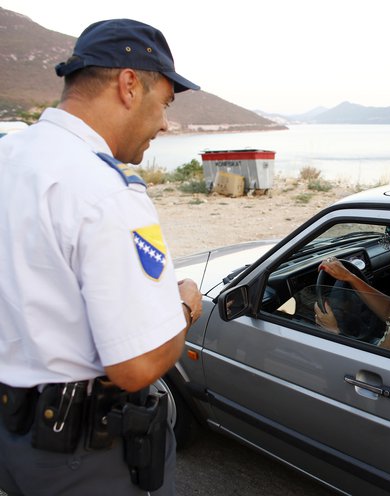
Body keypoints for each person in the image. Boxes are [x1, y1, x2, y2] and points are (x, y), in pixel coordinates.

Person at [0, 19, 202, 496]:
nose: (165, 123)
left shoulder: (11, 155)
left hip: (14, 440)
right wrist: (185, 307)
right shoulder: (107, 193)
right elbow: (135, 365)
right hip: (82, 460)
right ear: (130, 84)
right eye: (166, 103)